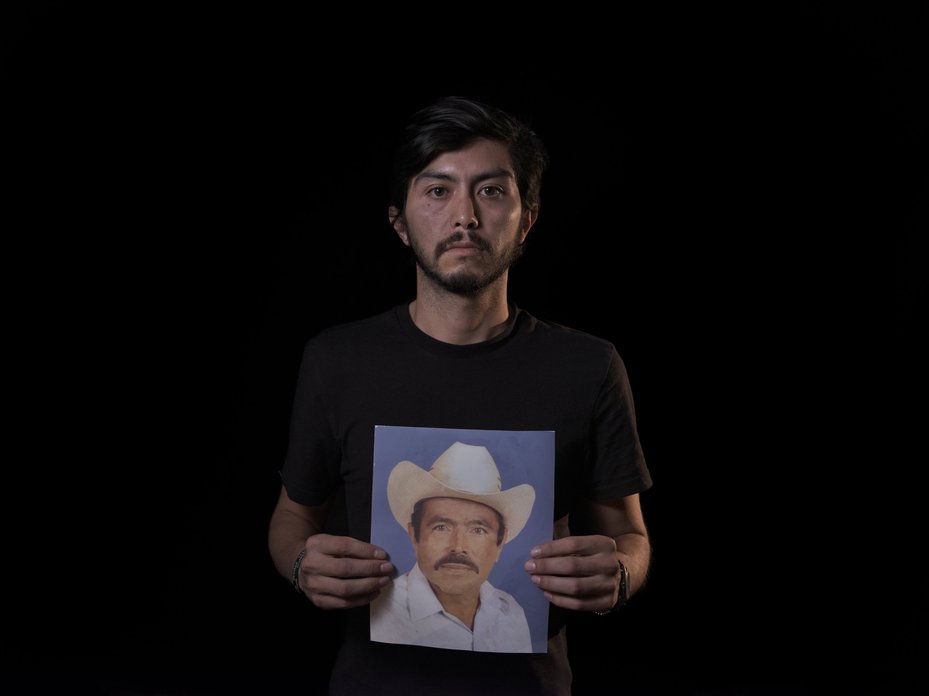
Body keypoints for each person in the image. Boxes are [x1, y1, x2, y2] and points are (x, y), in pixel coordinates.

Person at [268, 95, 653, 695]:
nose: (465, 216)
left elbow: (632, 536)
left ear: (526, 219)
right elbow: (292, 516)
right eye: (438, 190)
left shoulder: (589, 367)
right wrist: (299, 565)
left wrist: (621, 574)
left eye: (492, 191)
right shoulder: (336, 361)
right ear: (401, 221)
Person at [370, 441, 537, 653]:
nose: (458, 547)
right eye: (441, 527)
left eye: (478, 530)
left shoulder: (510, 614)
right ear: (414, 535)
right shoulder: (382, 612)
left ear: (500, 543)